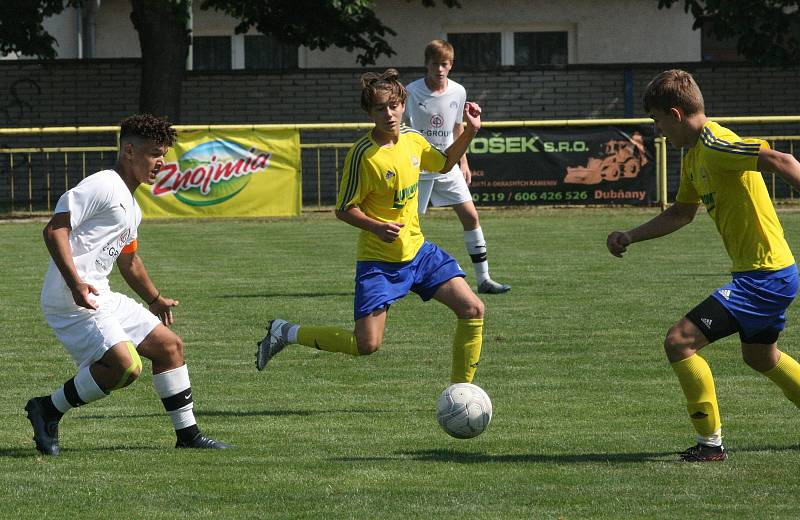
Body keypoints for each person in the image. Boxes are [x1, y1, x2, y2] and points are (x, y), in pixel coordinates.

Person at [607, 69, 800, 462]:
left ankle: (710, 446)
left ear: (675, 115)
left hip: (764, 277)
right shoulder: (694, 155)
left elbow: (781, 158)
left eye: (658, 122)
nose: (659, 132)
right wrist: (631, 235)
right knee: (761, 357)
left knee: (680, 341)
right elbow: (681, 213)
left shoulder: (715, 144)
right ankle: (710, 445)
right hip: (762, 274)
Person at [256, 69, 485, 386]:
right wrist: (376, 226)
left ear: (403, 105)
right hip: (380, 263)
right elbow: (343, 209)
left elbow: (445, 163)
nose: (388, 114)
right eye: (380, 108)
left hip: (419, 253)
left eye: (393, 106)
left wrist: (470, 131)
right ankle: (286, 332)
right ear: (369, 112)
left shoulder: (414, 141)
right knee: (367, 345)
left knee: (473, 309)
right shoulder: (363, 155)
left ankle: (463, 393)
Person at [26, 114, 230, 455]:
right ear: (130, 151)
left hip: (98, 292)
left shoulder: (132, 207)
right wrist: (76, 284)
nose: (160, 163)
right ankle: (47, 408)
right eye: (154, 154)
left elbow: (129, 261)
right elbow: (54, 229)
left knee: (170, 347)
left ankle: (188, 436)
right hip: (73, 296)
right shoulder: (103, 185)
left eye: (163, 155)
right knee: (126, 367)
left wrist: (155, 299)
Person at [403, 39, 510, 295]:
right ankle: (401, 277)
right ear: (426, 65)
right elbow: (401, 126)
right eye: (434, 64)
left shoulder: (458, 91)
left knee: (471, 217)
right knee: (409, 225)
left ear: (451, 65)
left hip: (448, 165)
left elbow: (457, 127)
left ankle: (484, 280)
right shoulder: (410, 91)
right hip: (418, 168)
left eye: (444, 64)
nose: (439, 69)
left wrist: (463, 161)